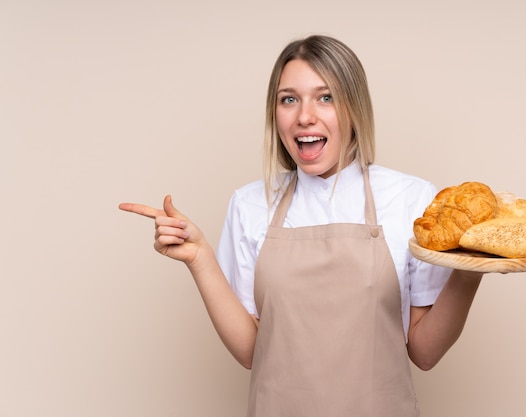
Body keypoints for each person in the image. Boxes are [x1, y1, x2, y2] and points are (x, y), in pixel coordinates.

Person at [119, 34, 483, 417]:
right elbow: (250, 352)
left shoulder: (411, 199)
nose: (304, 116)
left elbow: (424, 353)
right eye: (288, 99)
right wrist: (200, 259)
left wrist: (474, 267)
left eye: (325, 97)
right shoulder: (250, 204)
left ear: (355, 109)